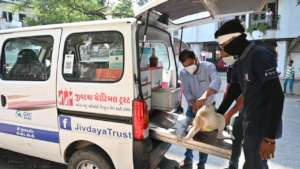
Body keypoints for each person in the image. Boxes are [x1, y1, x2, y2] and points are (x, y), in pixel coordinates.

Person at [215, 19, 284, 169]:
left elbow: (277, 96)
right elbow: (234, 89)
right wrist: (218, 114)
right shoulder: (239, 60)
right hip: (249, 120)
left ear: (235, 39)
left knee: (256, 164)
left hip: (262, 125)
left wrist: (270, 139)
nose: (223, 50)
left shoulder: (259, 55)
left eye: (224, 45)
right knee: (250, 161)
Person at [179, 49, 221, 169]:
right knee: (189, 133)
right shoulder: (183, 73)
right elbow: (186, 91)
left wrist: (203, 98)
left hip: (208, 109)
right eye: (185, 66)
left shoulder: (209, 67)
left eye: (190, 64)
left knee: (205, 138)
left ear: (196, 60)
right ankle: (188, 159)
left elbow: (216, 81)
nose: (188, 68)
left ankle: (202, 164)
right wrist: (192, 104)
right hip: (192, 108)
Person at [217, 51, 244, 169]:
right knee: (236, 135)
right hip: (241, 106)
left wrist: (229, 114)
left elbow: (246, 96)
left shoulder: (245, 65)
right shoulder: (232, 66)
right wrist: (220, 113)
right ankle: (233, 166)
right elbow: (230, 89)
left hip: (253, 109)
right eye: (222, 56)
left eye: (225, 55)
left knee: (252, 148)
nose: (223, 58)